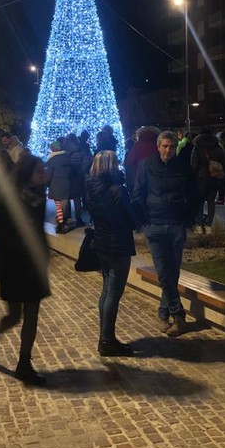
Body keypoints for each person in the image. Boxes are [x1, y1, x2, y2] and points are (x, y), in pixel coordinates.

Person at [0, 154, 50, 386]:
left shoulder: (39, 195)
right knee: (14, 315)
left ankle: (24, 364)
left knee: (32, 314)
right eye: (39, 170)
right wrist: (18, 246)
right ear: (28, 172)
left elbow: (38, 230)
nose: (43, 174)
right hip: (14, 263)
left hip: (34, 264)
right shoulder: (9, 195)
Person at [132, 131, 197, 337]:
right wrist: (144, 221)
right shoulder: (146, 165)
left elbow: (193, 194)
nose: (168, 150)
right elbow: (138, 193)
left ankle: (163, 313)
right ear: (158, 146)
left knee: (172, 272)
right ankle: (179, 316)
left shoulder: (183, 167)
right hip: (155, 225)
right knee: (163, 273)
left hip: (176, 225)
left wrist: (187, 218)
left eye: (171, 146)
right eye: (165, 146)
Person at [86, 151, 139, 356]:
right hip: (118, 244)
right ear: (111, 165)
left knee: (107, 290)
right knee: (113, 293)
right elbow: (132, 219)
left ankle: (105, 336)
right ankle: (107, 340)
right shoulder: (117, 190)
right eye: (116, 162)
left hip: (101, 242)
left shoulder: (93, 188)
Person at [190, 128, 225, 234]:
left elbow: (194, 164)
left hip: (201, 178)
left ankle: (200, 226)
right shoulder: (218, 147)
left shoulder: (197, 148)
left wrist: (192, 177)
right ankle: (209, 226)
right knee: (211, 202)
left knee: (199, 202)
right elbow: (224, 161)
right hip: (214, 177)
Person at [124, 126, 160, 194]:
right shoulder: (158, 145)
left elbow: (130, 161)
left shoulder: (137, 145)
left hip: (140, 175)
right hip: (156, 175)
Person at [46, 140, 72, 232]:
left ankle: (60, 224)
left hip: (56, 183)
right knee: (65, 202)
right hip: (67, 183)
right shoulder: (67, 157)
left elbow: (49, 173)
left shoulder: (52, 159)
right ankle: (66, 219)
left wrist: (46, 183)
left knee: (58, 205)